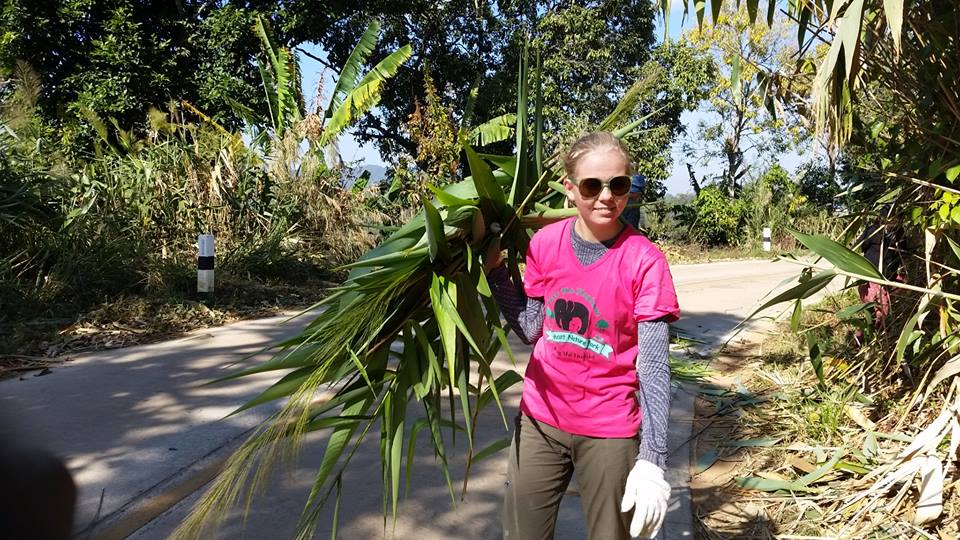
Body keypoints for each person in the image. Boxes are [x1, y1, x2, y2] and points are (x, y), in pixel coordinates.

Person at [484, 132, 680, 540]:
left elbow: (654, 367)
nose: (607, 197)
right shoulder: (546, 244)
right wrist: (497, 273)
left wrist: (653, 459)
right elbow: (533, 329)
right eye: (592, 186)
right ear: (570, 190)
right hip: (541, 418)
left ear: (629, 188)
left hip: (609, 429)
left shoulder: (646, 261)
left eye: (618, 185)